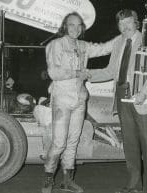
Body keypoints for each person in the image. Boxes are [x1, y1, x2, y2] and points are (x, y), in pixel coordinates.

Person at [88, 9, 147, 193]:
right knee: (129, 144)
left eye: (128, 22)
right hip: (122, 96)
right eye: (121, 24)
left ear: (136, 23)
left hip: (143, 98)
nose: (125, 27)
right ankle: (134, 185)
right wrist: (87, 74)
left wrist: (144, 93)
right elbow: (110, 71)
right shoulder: (118, 42)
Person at [42, 12, 116, 193]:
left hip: (80, 100)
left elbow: (105, 48)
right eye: (71, 25)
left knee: (73, 141)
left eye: (78, 25)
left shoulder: (84, 46)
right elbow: (54, 73)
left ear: (82, 28)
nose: (75, 29)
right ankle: (48, 178)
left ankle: (67, 181)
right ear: (64, 27)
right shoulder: (56, 45)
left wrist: (125, 34)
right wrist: (77, 73)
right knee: (59, 143)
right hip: (61, 99)